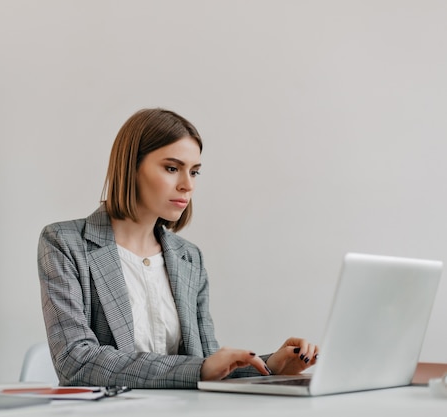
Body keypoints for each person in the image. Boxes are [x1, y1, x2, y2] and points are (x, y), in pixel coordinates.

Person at [37, 108, 318, 388]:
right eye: (172, 168)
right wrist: (200, 368)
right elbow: (76, 360)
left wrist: (271, 366)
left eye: (194, 172)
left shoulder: (189, 257)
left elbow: (209, 363)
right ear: (131, 167)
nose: (187, 185)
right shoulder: (65, 243)